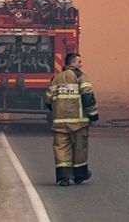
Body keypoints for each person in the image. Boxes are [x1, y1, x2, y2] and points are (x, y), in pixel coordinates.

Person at [44, 52, 98, 186]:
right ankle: (79, 175)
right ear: (72, 63)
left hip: (59, 123)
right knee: (80, 149)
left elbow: (47, 99)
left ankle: (64, 177)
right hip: (78, 123)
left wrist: (56, 111)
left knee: (61, 149)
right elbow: (88, 98)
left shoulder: (56, 79)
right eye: (79, 62)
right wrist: (93, 116)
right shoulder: (81, 77)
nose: (81, 64)